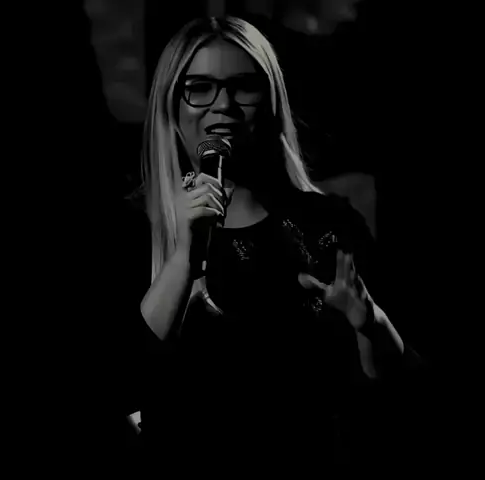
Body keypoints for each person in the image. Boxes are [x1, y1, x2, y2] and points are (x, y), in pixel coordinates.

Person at [137, 16, 427, 477]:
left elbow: (404, 390)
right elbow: (124, 379)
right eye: (200, 88)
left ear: (271, 102)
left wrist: (370, 323)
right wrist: (181, 261)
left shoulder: (327, 224)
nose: (224, 105)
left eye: (243, 87)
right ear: (172, 108)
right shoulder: (134, 227)